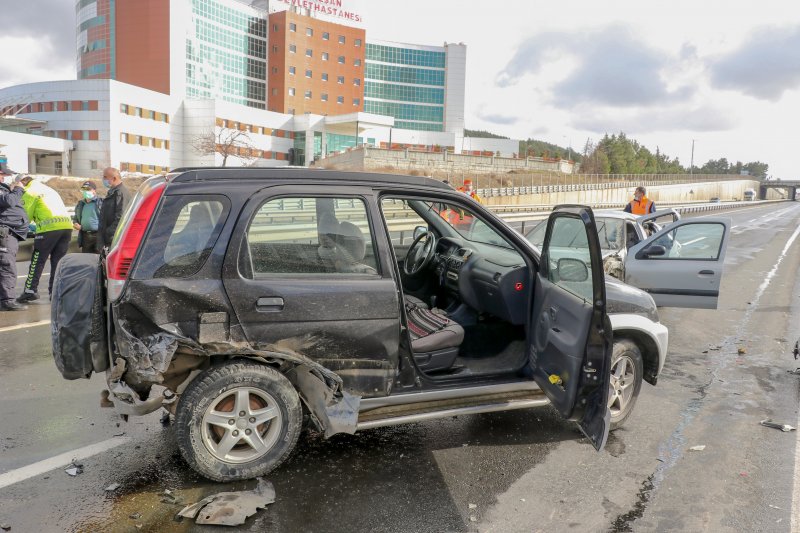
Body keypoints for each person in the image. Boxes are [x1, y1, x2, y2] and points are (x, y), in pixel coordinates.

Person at [17, 176, 73, 303]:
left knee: (38, 260)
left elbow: (24, 216)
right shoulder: (49, 190)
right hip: (66, 227)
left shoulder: (30, 191)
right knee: (57, 262)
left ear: (23, 182)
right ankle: (54, 292)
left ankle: (30, 291)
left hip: (49, 230)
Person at [0, 168, 30, 311]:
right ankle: (7, 301)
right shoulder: (4, 192)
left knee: (5, 266)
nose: (6, 178)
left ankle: (5, 299)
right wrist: (17, 189)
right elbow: (9, 201)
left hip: (10, 233)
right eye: (4, 175)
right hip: (5, 233)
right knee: (7, 267)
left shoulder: (4, 189)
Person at [98, 167, 131, 250]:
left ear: (114, 178)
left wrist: (108, 233)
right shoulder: (113, 192)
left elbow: (121, 218)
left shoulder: (121, 193)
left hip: (113, 240)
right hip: (108, 239)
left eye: (105, 177)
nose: (103, 179)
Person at [73, 180, 103, 253]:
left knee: (98, 259)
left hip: (98, 236)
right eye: (84, 190)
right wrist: (76, 224)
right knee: (86, 259)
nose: (86, 191)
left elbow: (106, 220)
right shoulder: (80, 204)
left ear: (94, 191)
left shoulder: (101, 203)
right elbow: (76, 218)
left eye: (88, 189)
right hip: (85, 236)